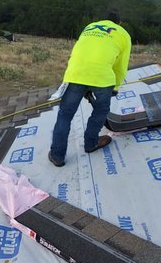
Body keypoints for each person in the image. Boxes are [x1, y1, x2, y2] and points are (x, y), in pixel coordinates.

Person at [48, 12, 131, 167]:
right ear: (119, 23)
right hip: (102, 78)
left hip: (75, 74)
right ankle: (91, 143)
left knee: (64, 116)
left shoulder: (89, 27)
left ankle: (57, 155)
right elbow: (120, 66)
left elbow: (80, 52)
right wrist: (115, 87)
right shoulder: (123, 34)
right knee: (100, 111)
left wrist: (82, 82)